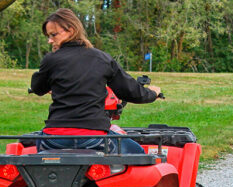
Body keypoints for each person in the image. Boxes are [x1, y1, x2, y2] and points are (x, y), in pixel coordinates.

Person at [29, 8, 161, 154]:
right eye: (49, 36)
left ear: (71, 31)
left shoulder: (51, 60)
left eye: (53, 35)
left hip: (53, 139)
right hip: (93, 137)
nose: (50, 40)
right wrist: (153, 93)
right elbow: (131, 92)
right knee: (138, 153)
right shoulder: (102, 59)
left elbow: (37, 88)